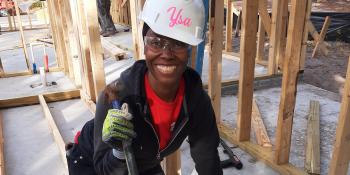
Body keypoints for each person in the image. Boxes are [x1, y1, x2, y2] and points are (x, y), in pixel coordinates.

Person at [66, 0, 223, 174]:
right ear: (145, 45)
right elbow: (104, 169)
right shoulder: (115, 97)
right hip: (94, 163)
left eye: (178, 43)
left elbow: (207, 157)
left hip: (144, 160)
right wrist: (118, 151)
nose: (167, 54)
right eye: (156, 42)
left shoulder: (196, 101)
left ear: (190, 48)